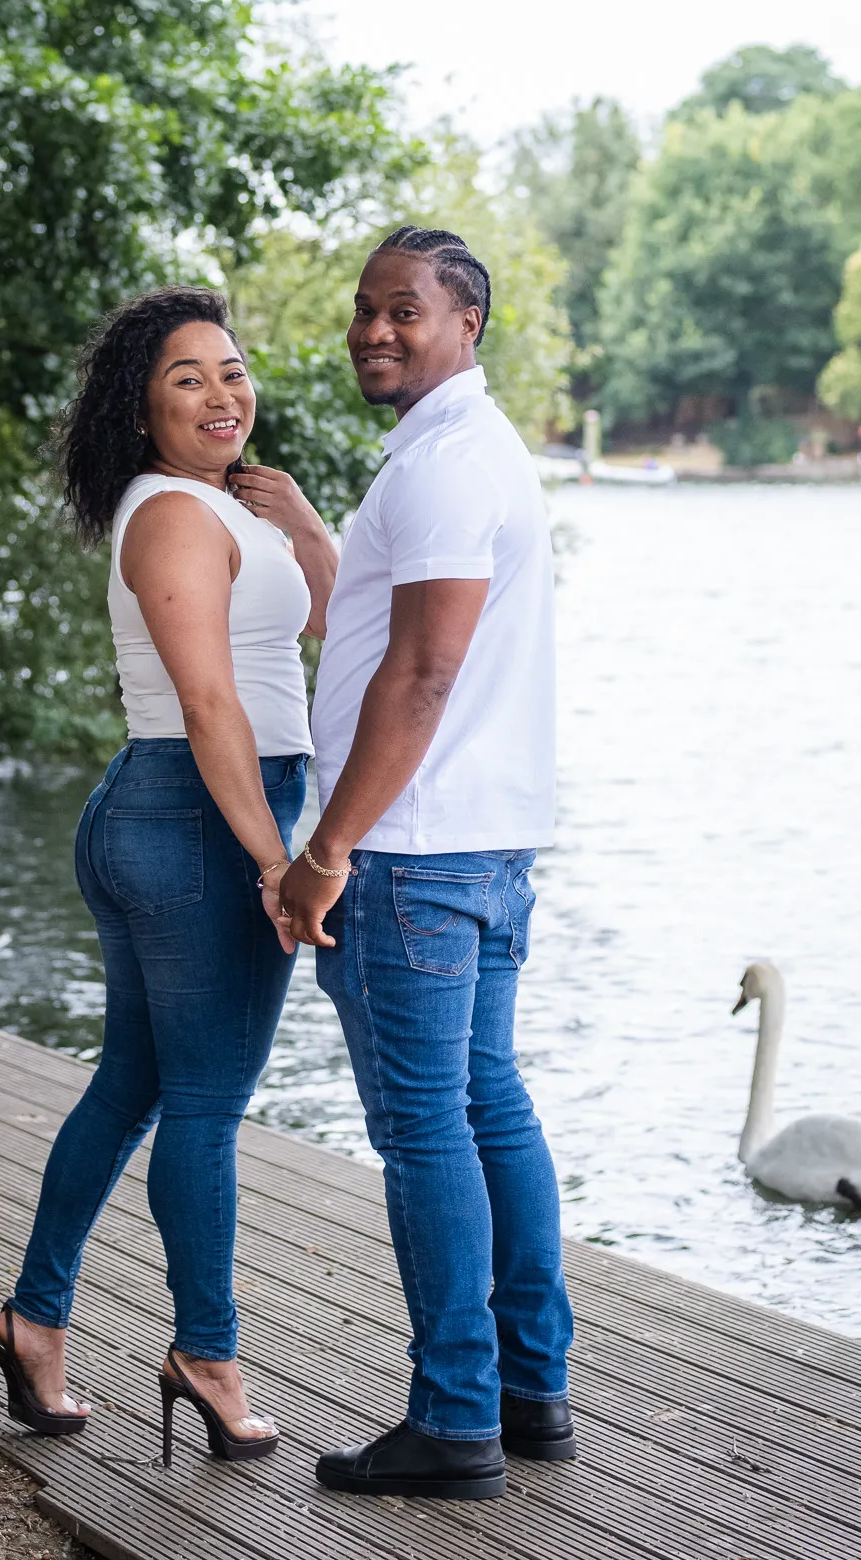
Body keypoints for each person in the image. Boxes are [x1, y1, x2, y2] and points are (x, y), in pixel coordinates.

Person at [0, 286, 337, 1465]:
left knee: (132, 1082)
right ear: (140, 409)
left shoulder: (224, 507)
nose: (224, 394)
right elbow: (209, 699)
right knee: (208, 1105)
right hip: (196, 812)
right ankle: (207, 1354)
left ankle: (33, 1321)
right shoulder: (173, 517)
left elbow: (329, 623)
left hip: (187, 806)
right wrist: (276, 861)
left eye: (232, 370)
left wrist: (307, 523)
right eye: (189, 378)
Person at [268, 226, 575, 1502]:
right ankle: (526, 1388)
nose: (373, 328)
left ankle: (454, 1416)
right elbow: (386, 631)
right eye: (364, 307)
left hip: (411, 851)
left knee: (425, 1129)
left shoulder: (447, 463)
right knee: (486, 1101)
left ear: (468, 325)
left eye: (405, 308)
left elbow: (426, 668)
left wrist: (327, 845)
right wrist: (305, 530)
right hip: (485, 841)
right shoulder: (464, 454)